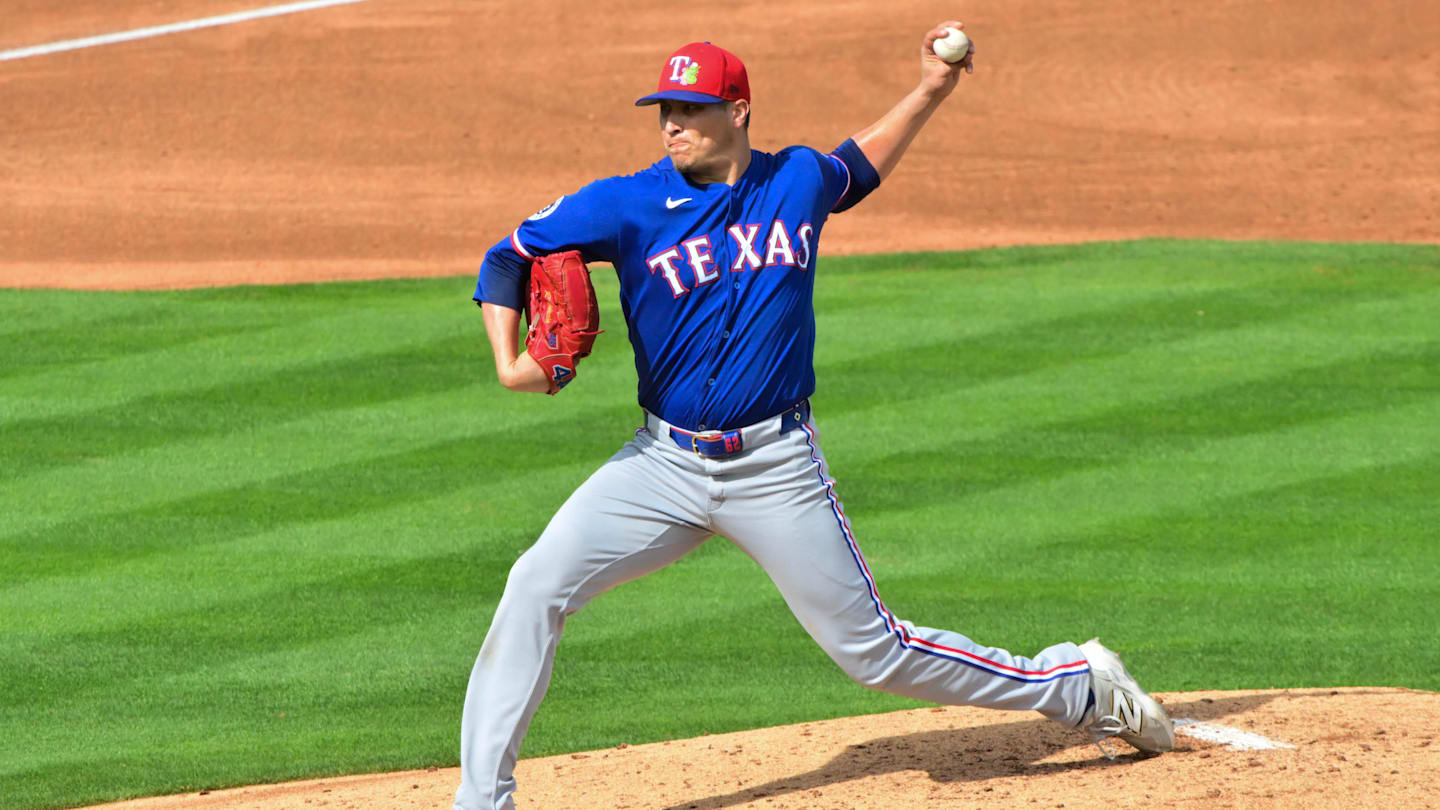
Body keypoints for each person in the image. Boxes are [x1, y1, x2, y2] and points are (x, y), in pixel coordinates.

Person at [458, 23, 1173, 810]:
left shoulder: (796, 180)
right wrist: (510, 361)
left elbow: (860, 163)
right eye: (665, 109)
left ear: (738, 111)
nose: (672, 124)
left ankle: (1076, 684)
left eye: (691, 109)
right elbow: (506, 257)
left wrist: (931, 88)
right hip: (659, 466)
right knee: (534, 585)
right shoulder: (624, 204)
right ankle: (482, 800)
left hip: (774, 467)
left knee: (873, 654)